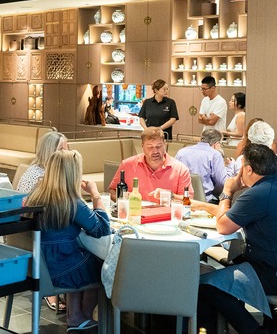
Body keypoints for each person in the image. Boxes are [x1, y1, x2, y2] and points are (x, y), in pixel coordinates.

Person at [193, 144, 277, 334]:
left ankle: (253, 331)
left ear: (248, 169)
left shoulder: (259, 193)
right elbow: (234, 215)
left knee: (206, 285)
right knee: (234, 262)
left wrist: (228, 191)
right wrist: (203, 206)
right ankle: (273, 317)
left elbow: (223, 226)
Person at [24, 150, 110, 331]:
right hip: (60, 268)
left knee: (81, 256)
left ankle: (76, 315)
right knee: (104, 266)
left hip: (38, 266)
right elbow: (102, 229)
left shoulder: (36, 195)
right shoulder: (71, 202)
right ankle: (82, 316)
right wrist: (95, 194)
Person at [108, 127, 192, 202]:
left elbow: (188, 201)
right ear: (142, 146)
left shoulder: (180, 169)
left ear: (165, 144)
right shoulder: (127, 165)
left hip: (166, 213)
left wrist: (170, 196)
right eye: (150, 147)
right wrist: (124, 200)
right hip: (135, 212)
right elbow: (112, 191)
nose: (155, 151)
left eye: (159, 146)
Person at [174, 129, 228, 203]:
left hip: (182, 199)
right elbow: (223, 182)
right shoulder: (215, 155)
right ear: (216, 144)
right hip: (205, 201)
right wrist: (230, 167)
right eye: (221, 144)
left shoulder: (181, 152)